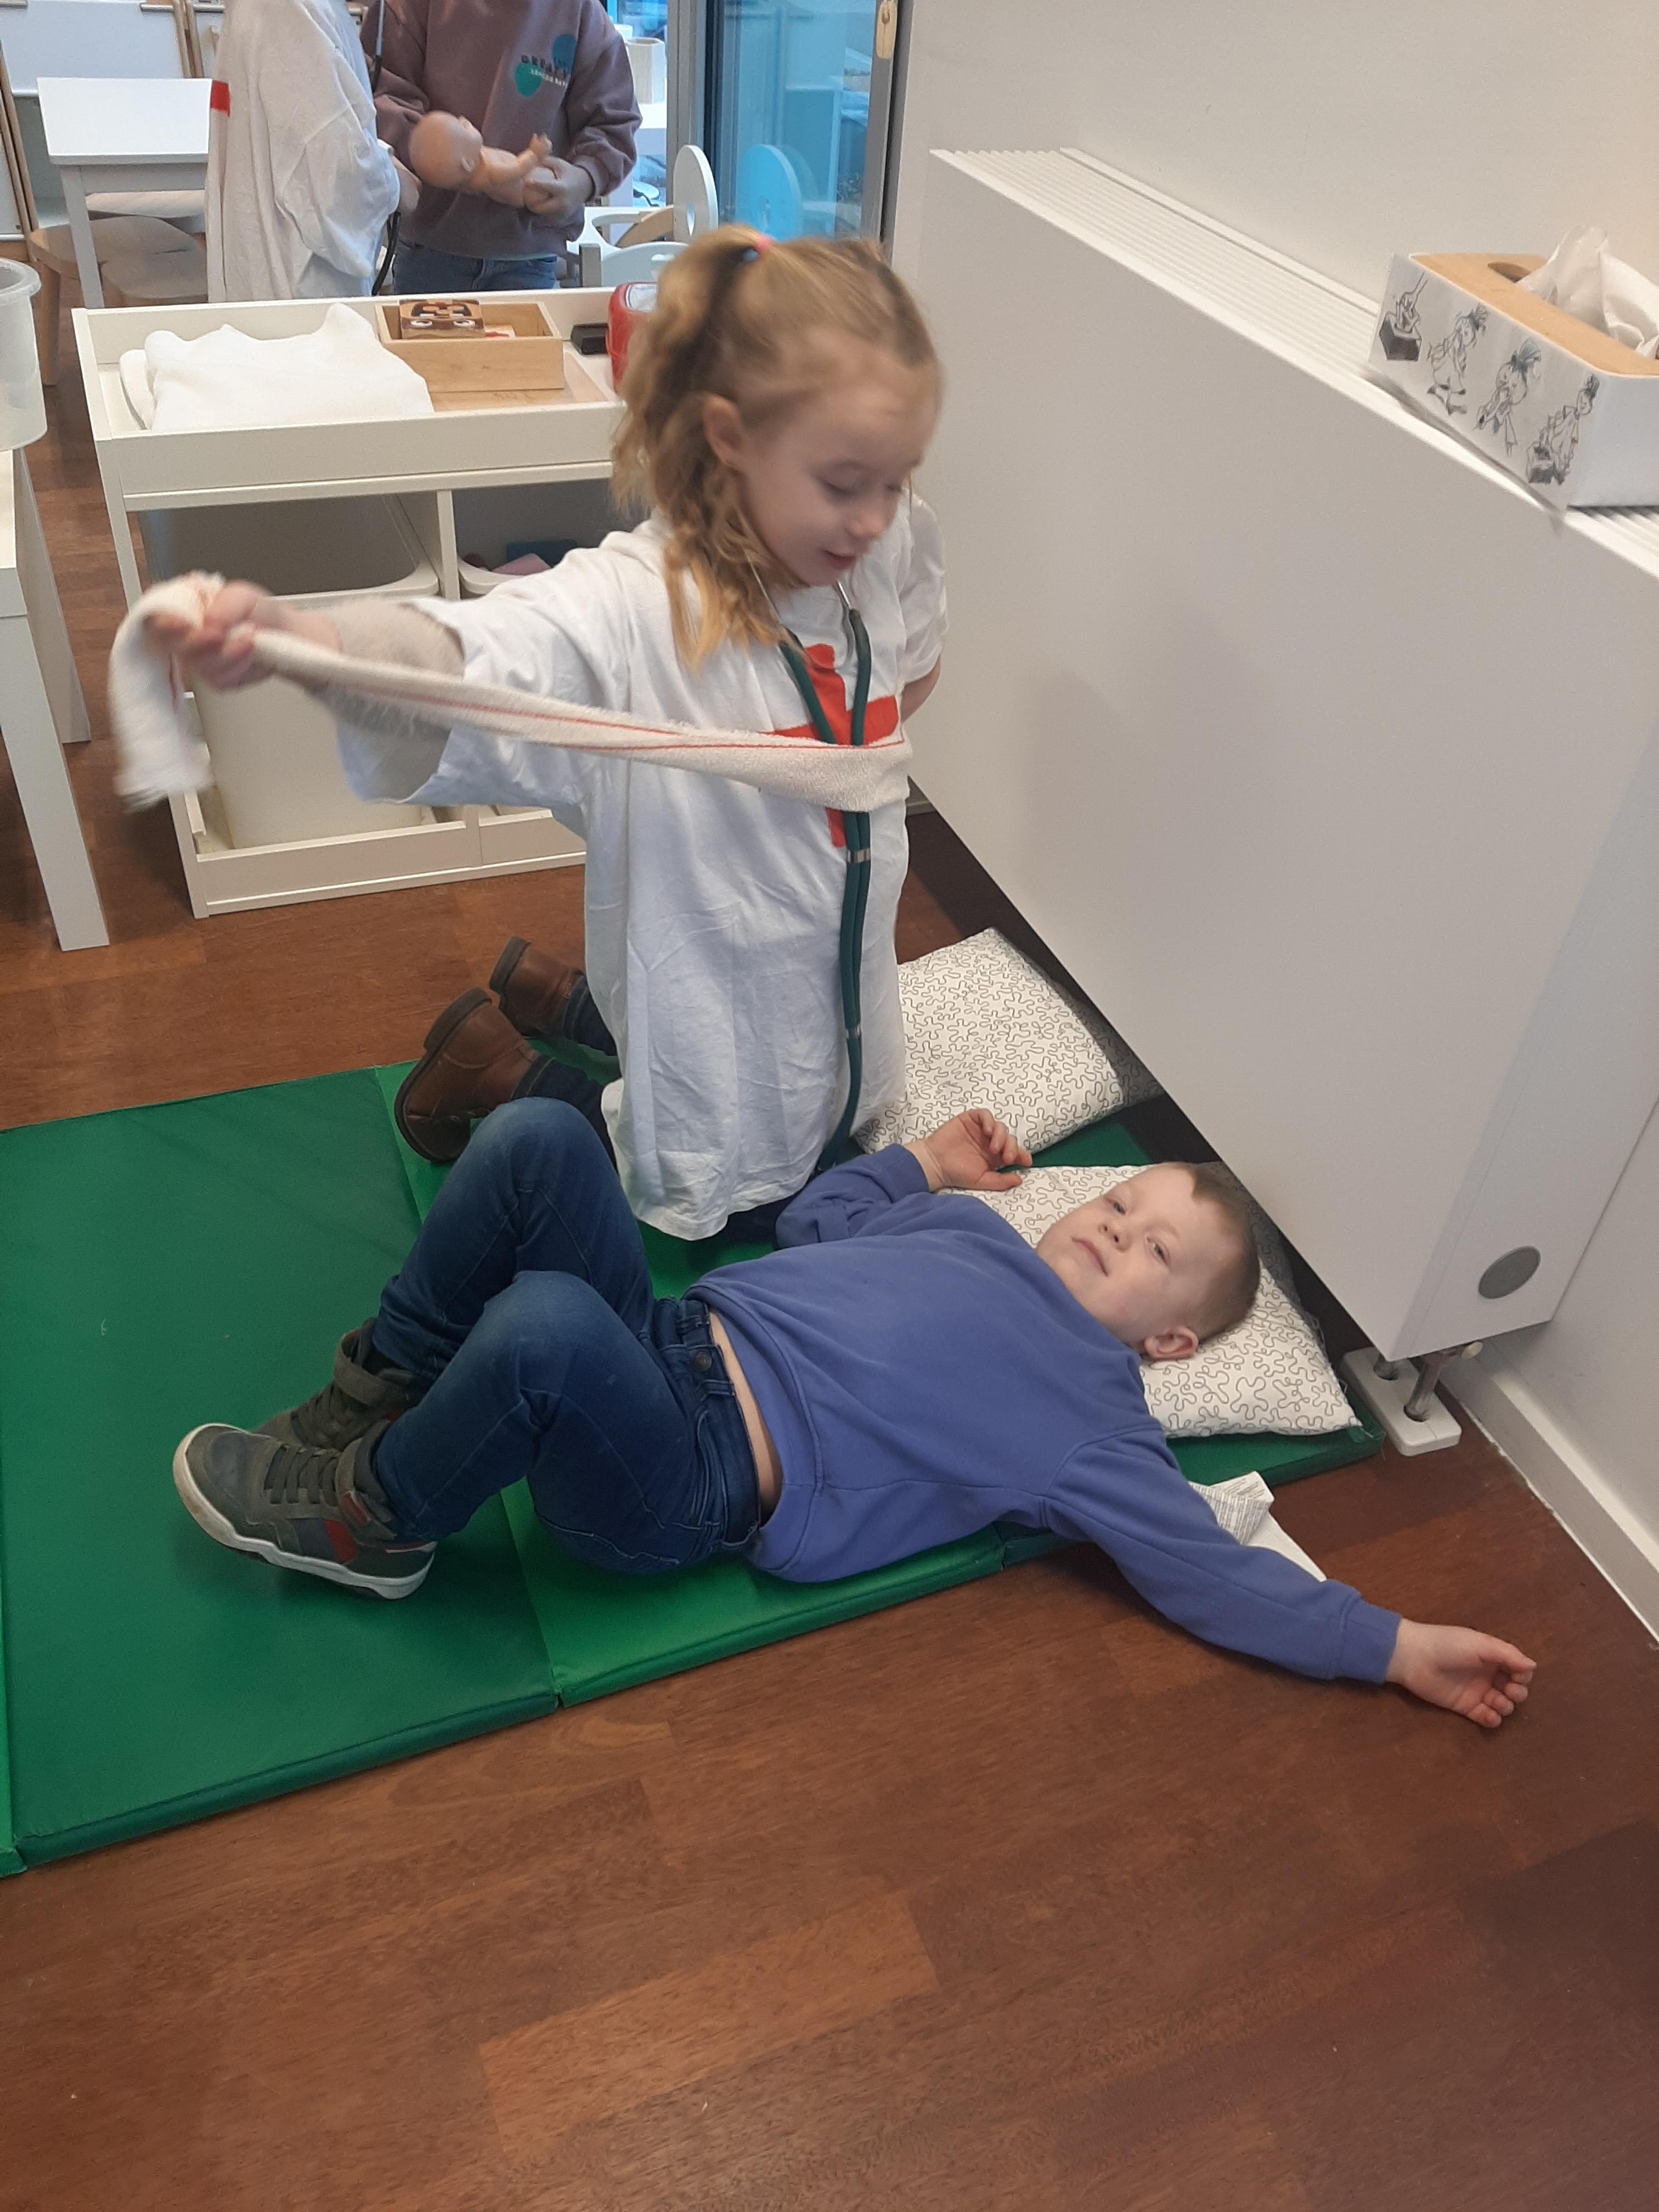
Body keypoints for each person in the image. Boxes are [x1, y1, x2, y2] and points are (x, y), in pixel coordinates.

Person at [173, 1106, 1537, 1731]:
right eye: (1119, 1203)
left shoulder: (1098, 1424)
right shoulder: (972, 1231)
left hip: (682, 1478)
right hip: (668, 1341)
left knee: (542, 1327)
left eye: (1154, 1252)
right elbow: (818, 1226)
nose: (1116, 1229)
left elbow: (1208, 1571)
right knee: (541, 1139)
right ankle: (384, 1387)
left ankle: (377, 1518)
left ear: (1169, 1342)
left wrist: (1390, 1645)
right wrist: (921, 1165)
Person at [148, 228, 947, 1241]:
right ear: (730, 437)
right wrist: (308, 643)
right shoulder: (634, 609)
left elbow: (911, 668)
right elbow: (481, 656)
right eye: (842, 483)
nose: (873, 517)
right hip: (708, 998)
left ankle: (547, 996)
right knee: (727, 1174)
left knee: (826, 1112)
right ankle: (496, 1068)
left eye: (895, 479)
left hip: (837, 968)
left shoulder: (880, 543)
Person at [364, 0, 640, 293]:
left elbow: (613, 121)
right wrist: (446, 157)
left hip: (528, 253)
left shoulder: (581, 13)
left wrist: (583, 179)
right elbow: (378, 98)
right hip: (429, 246)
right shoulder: (406, 8)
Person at [206, 0, 411, 302]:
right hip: (299, 288)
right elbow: (333, 175)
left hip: (271, 271)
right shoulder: (294, 11)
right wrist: (395, 185)